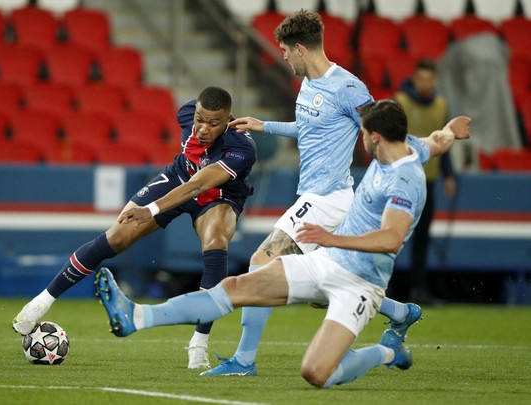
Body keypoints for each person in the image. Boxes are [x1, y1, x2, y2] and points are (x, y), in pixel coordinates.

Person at [95, 100, 471, 388]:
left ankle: (389, 351)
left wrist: (330, 238)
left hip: (360, 283)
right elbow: (437, 141)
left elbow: (390, 238)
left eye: (363, 136)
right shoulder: (405, 149)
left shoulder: (405, 181)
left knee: (317, 373)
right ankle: (137, 317)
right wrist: (452, 129)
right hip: (327, 262)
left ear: (373, 137)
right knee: (239, 285)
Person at [188, 10, 419, 376]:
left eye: (284, 50)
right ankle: (402, 313)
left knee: (261, 264)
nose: (282, 56)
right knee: (326, 285)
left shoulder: (347, 87)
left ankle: (244, 361)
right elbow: (310, 128)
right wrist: (265, 125)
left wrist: (418, 152)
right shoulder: (309, 86)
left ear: (299, 49)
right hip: (323, 197)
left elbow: (382, 127)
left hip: (327, 198)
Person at [12, 86, 257, 370]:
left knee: (216, 240)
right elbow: (187, 178)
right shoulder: (186, 112)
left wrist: (151, 209)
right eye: (200, 119)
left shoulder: (241, 147)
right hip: (177, 178)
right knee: (117, 236)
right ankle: (40, 303)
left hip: (218, 196)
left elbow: (200, 185)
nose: (202, 128)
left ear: (228, 120)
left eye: (213, 123)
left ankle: (198, 343)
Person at [394, 59, 455, 304]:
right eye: (422, 78)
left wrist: (449, 174)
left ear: (435, 81)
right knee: (393, 234)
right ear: (414, 78)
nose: (425, 83)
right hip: (400, 180)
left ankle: (419, 289)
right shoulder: (402, 101)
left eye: (429, 79)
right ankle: (384, 287)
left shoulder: (441, 105)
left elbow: (445, 142)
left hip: (427, 181)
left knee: (422, 238)